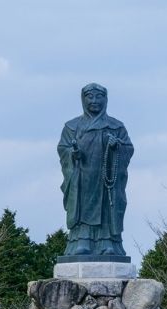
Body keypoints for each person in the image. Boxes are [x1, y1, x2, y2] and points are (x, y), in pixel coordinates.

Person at [57, 83, 134, 256]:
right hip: (82, 177)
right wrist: (72, 153)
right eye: (90, 97)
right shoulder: (72, 126)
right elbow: (63, 149)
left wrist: (117, 147)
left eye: (99, 97)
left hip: (106, 179)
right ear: (83, 99)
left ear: (105, 99)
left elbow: (128, 148)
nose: (94, 101)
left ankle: (108, 243)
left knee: (108, 207)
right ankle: (81, 241)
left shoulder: (116, 126)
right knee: (83, 207)